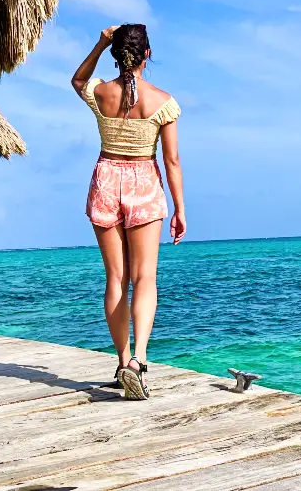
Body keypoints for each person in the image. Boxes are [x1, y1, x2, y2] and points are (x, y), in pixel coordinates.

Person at [71, 23, 186, 400]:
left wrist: (99, 42)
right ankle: (139, 359)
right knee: (145, 277)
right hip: (144, 183)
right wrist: (180, 209)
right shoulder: (162, 102)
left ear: (116, 55)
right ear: (147, 55)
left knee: (116, 279)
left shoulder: (103, 92)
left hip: (106, 179)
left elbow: (77, 80)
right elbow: (171, 160)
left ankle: (122, 361)